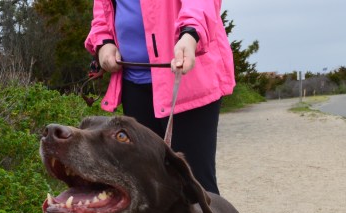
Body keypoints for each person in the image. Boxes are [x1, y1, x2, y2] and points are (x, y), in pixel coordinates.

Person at [85, 0, 235, 194]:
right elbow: (102, 13)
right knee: (144, 188)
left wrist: (190, 34)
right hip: (134, 83)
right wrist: (103, 43)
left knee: (195, 185)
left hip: (187, 80)